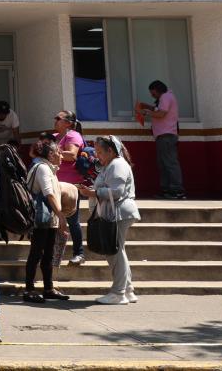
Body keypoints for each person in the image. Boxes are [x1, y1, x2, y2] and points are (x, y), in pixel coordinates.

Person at [78, 135, 140, 304]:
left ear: (110, 150)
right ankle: (127, 290)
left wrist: (92, 193)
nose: (97, 155)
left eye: (99, 151)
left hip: (118, 212)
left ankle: (119, 293)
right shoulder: (111, 165)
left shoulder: (117, 165)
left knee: (114, 251)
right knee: (118, 250)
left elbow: (116, 191)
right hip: (117, 212)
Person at [23, 140, 69, 303]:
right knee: (36, 253)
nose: (61, 155)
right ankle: (29, 289)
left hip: (49, 218)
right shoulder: (42, 168)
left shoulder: (48, 168)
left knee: (48, 254)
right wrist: (62, 216)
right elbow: (48, 193)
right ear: (50, 154)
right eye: (59, 152)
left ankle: (48, 288)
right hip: (41, 218)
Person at [135, 80, 185, 199]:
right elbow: (159, 110)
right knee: (163, 163)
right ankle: (167, 189)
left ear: (158, 90)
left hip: (166, 135)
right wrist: (147, 106)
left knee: (169, 163)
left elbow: (161, 114)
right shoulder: (166, 97)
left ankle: (176, 190)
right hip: (163, 135)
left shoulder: (166, 97)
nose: (153, 96)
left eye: (153, 93)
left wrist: (145, 112)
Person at [51, 110, 87, 265]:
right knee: (53, 220)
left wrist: (51, 152)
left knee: (72, 220)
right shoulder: (53, 137)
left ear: (68, 123)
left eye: (58, 118)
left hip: (70, 185)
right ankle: (54, 254)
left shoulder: (73, 136)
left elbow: (72, 155)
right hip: (54, 183)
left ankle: (79, 253)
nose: (55, 120)